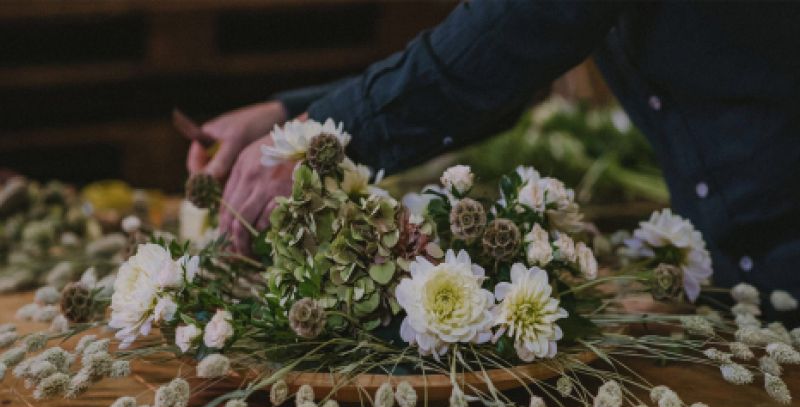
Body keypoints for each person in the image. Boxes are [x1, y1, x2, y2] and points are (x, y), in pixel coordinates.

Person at [186, 1, 800, 306]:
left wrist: (320, 137)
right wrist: (288, 115)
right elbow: (510, 57)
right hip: (754, 263)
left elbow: (518, 29)